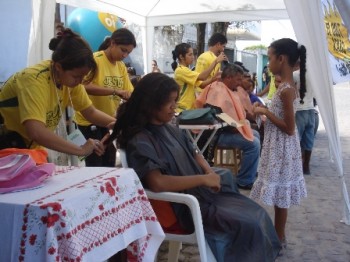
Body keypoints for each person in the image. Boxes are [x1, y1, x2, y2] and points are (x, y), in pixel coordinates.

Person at [106, 72, 281, 262]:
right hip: (183, 208)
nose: (175, 107)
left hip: (201, 196)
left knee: (257, 214)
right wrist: (203, 179)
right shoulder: (141, 139)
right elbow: (156, 182)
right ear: (151, 104)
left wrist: (209, 171)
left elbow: (195, 153)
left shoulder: (170, 127)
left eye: (176, 100)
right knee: (249, 225)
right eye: (170, 102)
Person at [0, 28, 115, 158]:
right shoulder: (34, 80)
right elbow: (36, 132)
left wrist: (116, 123)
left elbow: (90, 112)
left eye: (83, 76)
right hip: (6, 147)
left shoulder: (69, 81)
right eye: (77, 76)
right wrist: (81, 150)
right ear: (59, 67)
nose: (80, 81)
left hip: (28, 148)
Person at [250, 38, 308, 252]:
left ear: (281, 59)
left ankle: (279, 237)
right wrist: (263, 110)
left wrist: (265, 112)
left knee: (281, 197)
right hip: (279, 146)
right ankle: (278, 236)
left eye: (270, 57)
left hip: (282, 148)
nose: (268, 63)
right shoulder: (284, 86)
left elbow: (289, 127)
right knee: (279, 196)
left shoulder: (285, 90)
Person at [74, 28, 136, 167]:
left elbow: (129, 91)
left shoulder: (120, 66)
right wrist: (114, 91)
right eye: (123, 50)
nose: (125, 55)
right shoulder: (95, 60)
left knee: (109, 164)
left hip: (109, 122)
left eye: (128, 52)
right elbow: (82, 85)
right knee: (95, 166)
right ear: (112, 43)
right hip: (89, 123)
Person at [196, 64, 261, 190]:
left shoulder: (229, 90)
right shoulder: (217, 90)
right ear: (229, 78)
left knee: (256, 134)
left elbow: (233, 114)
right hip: (216, 135)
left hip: (227, 129)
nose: (240, 82)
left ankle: (248, 172)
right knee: (254, 144)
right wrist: (236, 128)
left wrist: (241, 126)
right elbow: (217, 116)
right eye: (238, 79)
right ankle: (244, 181)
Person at [171, 43, 225, 111]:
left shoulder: (187, 70)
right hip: (182, 110)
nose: (193, 57)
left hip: (189, 110)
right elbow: (203, 77)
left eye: (193, 54)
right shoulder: (180, 70)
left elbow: (202, 85)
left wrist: (214, 78)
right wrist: (215, 61)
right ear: (181, 57)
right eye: (190, 55)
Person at [294, 68, 316, 175]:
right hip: (311, 109)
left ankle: (296, 165)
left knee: (296, 139)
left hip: (299, 109)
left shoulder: (294, 75)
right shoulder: (314, 75)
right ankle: (306, 166)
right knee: (309, 139)